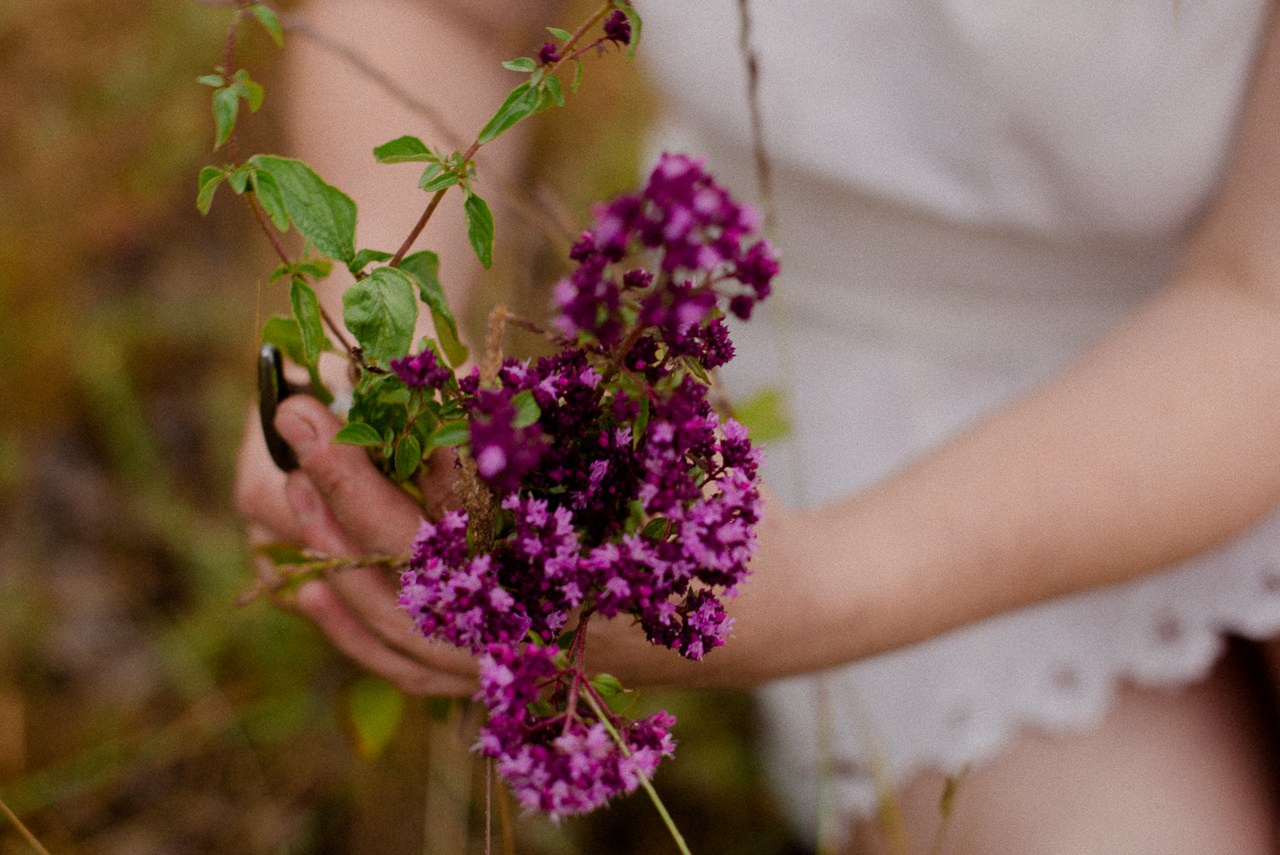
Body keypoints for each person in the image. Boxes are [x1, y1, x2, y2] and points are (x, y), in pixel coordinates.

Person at [236, 0, 1280, 850]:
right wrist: (362, 320)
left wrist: (820, 594)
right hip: (877, 351)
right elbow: (443, 10)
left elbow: (1254, 313)